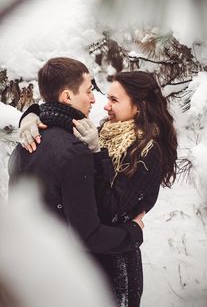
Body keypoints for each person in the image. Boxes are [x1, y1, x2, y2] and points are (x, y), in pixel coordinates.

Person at [18, 70, 177, 307]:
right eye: (107, 98)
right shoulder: (107, 130)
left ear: (139, 107)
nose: (105, 107)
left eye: (115, 100)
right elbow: (61, 111)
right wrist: (31, 116)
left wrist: (96, 153)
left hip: (115, 265)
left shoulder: (148, 151)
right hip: (89, 255)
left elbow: (110, 210)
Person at [8, 58, 144, 265]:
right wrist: (133, 233)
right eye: (88, 91)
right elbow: (87, 237)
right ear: (68, 96)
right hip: (60, 274)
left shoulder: (24, 144)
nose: (93, 99)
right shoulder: (75, 153)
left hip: (25, 268)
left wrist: (31, 113)